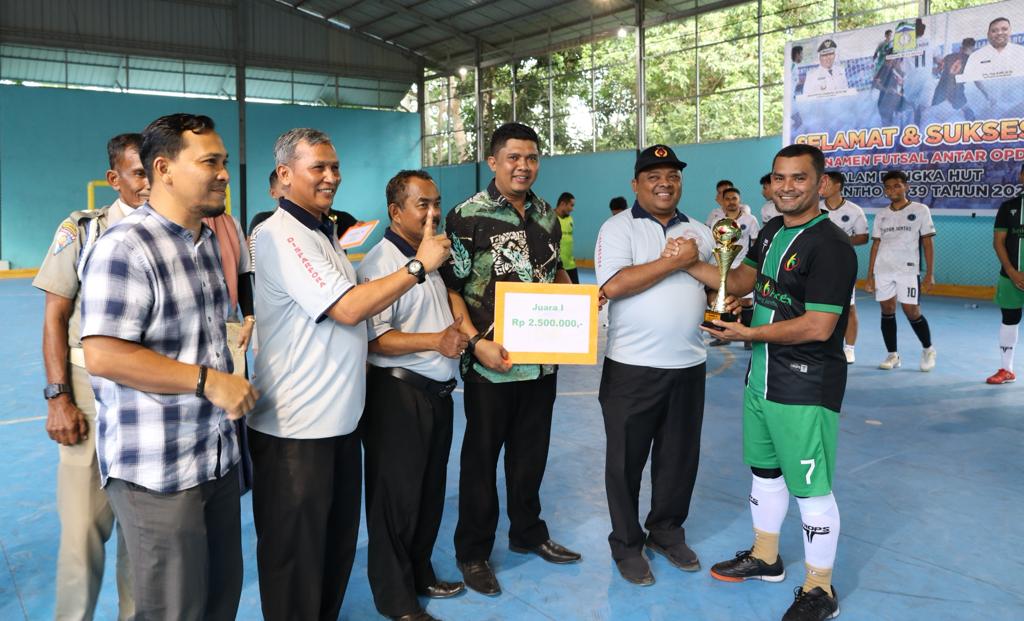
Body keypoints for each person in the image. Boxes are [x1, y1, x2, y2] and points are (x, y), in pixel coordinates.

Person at [246, 128, 451, 621]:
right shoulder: (282, 234)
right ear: (284, 175)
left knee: (334, 555)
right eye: (318, 167)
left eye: (334, 167)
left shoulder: (322, 235)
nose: (331, 177)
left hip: (338, 425)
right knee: (296, 563)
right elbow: (345, 308)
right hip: (296, 431)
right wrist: (417, 267)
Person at [79, 113, 259, 620]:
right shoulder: (125, 248)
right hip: (157, 472)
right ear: (164, 169)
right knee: (173, 610)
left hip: (215, 458)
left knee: (221, 599)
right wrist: (207, 382)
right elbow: (104, 353)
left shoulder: (203, 243)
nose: (224, 173)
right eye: (210, 162)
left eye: (223, 162)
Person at [678, 143, 856, 621]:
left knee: (812, 489)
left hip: (805, 385)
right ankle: (767, 557)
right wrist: (687, 263)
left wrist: (750, 331)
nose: (787, 187)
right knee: (765, 472)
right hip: (762, 377)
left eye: (798, 178)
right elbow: (739, 282)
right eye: (779, 178)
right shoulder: (773, 229)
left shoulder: (832, 247)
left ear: (821, 184)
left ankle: (821, 589)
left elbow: (819, 325)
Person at [441, 122, 580, 597]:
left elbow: (556, 271)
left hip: (541, 362)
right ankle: (473, 552)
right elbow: (451, 289)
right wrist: (476, 342)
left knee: (531, 456)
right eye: (514, 158)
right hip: (489, 366)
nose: (524, 166)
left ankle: (527, 533)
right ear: (495, 161)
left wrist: (578, 304)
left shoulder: (547, 216)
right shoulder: (466, 216)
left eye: (532, 158)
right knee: (481, 461)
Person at [32, 133, 146, 621]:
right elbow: (55, 316)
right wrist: (59, 397)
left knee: (145, 546)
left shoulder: (178, 231)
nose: (148, 183)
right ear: (113, 179)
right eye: (137, 173)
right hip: (88, 396)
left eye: (154, 170)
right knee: (82, 536)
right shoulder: (83, 231)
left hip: (152, 400)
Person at [594, 144, 713, 586]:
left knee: (679, 458)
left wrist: (695, 262)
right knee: (625, 461)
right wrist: (672, 261)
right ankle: (626, 543)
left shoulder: (700, 231)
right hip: (632, 366)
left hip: (688, 363)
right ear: (636, 184)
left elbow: (721, 284)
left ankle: (665, 530)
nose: (665, 183)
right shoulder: (619, 228)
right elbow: (616, 284)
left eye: (673, 175)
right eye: (654, 176)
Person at [357, 170, 467, 621]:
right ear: (395, 211)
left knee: (428, 495)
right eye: (422, 204)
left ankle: (420, 573)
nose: (433, 212)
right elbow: (374, 340)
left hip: (436, 395)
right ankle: (395, 601)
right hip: (397, 395)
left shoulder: (433, 255)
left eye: (436, 202)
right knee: (394, 502)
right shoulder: (381, 264)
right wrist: (435, 342)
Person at [865, 170, 936, 371]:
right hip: (883, 269)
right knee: (887, 310)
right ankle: (892, 355)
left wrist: (930, 273)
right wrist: (869, 276)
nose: (892, 190)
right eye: (888, 187)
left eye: (897, 185)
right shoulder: (881, 215)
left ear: (906, 187)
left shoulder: (920, 210)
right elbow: (876, 245)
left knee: (911, 311)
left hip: (908, 270)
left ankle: (928, 349)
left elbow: (928, 243)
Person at [822, 172, 868, 364]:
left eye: (826, 183)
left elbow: (863, 237)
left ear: (838, 186)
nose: (821, 186)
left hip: (842, 265)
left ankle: (849, 349)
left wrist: (839, 241)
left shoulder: (854, 210)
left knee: (848, 308)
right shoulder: (814, 208)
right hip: (815, 265)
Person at [987, 163, 1024, 384]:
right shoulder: (1008, 207)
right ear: (1021, 176)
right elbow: (998, 242)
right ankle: (1006, 369)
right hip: (1010, 277)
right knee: (1009, 320)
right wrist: (1012, 271)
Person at [710, 187, 760, 348]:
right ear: (722, 201)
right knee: (721, 301)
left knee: (746, 301)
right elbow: (714, 244)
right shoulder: (716, 221)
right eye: (728, 199)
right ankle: (721, 334)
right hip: (723, 266)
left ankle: (748, 337)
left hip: (744, 266)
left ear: (739, 200)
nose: (731, 202)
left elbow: (755, 244)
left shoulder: (750, 220)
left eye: (734, 199)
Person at [963, 17, 1024, 83]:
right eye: (994, 31)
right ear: (988, 35)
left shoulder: (1021, 52)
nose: (999, 33)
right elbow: (968, 83)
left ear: (1010, 32)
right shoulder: (975, 56)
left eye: (1004, 29)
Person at [556, 192, 579, 284]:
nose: (572, 209)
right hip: (558, 267)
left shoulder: (570, 219)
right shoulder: (551, 219)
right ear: (562, 204)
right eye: (571, 205)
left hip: (570, 265)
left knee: (576, 293)